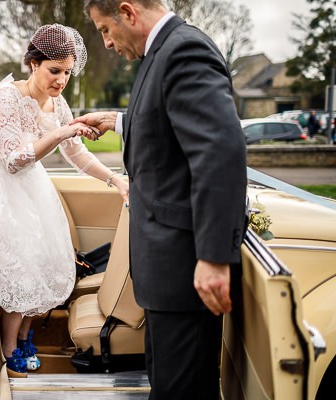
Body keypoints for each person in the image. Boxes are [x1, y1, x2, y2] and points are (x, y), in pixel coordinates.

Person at [75, 1, 247, 398]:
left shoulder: (184, 51)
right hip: (166, 273)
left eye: (104, 29)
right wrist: (118, 120)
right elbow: (167, 121)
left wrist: (214, 257)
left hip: (185, 270)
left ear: (128, 12)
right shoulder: (163, 52)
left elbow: (219, 154)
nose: (106, 43)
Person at [0, 23, 129, 375]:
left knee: (42, 262)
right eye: (54, 71)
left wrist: (116, 179)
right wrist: (60, 132)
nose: (61, 80)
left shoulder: (58, 102)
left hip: (31, 187)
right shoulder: (6, 97)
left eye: (68, 72)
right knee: (18, 267)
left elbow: (78, 154)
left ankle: (25, 336)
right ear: (33, 64)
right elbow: (13, 160)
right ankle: (8, 349)